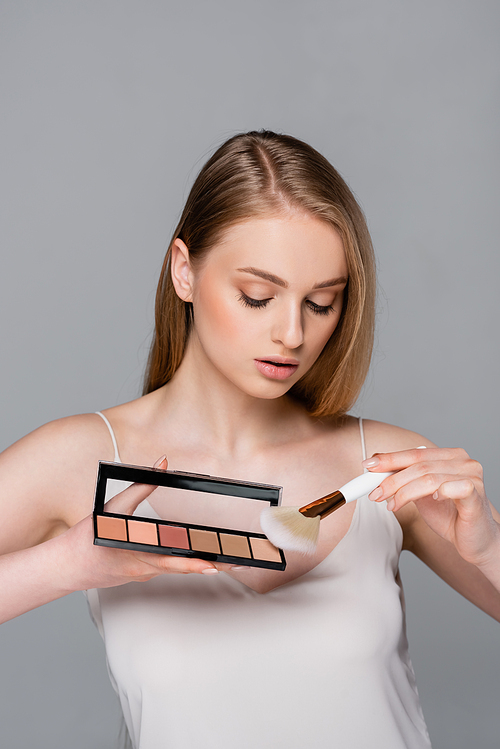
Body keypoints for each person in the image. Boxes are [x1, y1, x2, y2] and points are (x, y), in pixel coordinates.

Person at [0, 130, 498, 748]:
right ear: (184, 271)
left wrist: (489, 548)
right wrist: (66, 565)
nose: (291, 333)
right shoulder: (78, 461)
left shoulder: (387, 469)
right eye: (257, 297)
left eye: (321, 304)